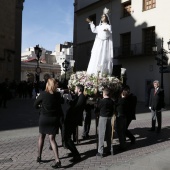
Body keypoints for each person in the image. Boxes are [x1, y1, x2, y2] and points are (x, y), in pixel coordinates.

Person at [34, 78, 63, 169]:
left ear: (48, 84)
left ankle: (39, 156)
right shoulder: (58, 95)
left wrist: (41, 105)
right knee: (52, 139)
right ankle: (57, 160)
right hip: (54, 119)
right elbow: (62, 102)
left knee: (41, 136)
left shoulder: (43, 94)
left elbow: (35, 105)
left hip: (44, 118)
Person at [86, 7, 113, 76]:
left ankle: (103, 72)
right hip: (98, 43)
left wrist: (106, 31)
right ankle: (94, 72)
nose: (102, 17)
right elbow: (94, 30)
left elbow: (109, 33)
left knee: (103, 56)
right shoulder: (98, 27)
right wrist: (91, 23)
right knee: (96, 56)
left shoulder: (108, 26)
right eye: (101, 16)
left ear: (106, 18)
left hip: (105, 44)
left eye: (103, 16)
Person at [64, 84, 86, 162]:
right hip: (72, 119)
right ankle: (73, 152)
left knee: (67, 137)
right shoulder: (79, 96)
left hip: (73, 119)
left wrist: (68, 102)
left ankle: (76, 155)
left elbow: (76, 107)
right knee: (67, 137)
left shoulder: (82, 97)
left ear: (79, 90)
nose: (75, 90)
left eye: (76, 89)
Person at [96, 88, 115, 157]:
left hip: (103, 118)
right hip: (109, 118)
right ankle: (110, 149)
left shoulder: (101, 101)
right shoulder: (111, 101)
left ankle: (100, 151)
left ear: (104, 94)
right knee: (108, 134)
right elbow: (113, 109)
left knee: (101, 135)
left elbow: (97, 109)